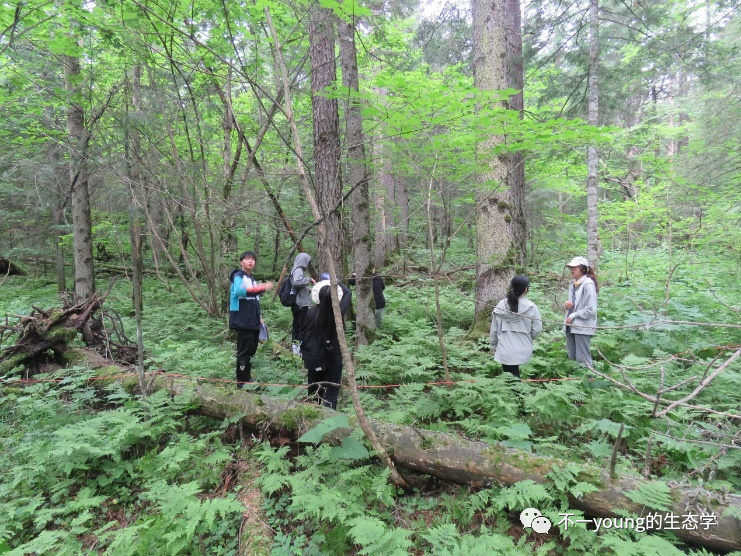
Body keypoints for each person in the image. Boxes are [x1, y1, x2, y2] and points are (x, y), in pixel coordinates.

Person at [302, 279, 352, 409]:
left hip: (315, 356)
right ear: (335, 298)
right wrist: (335, 281)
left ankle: (312, 412)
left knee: (314, 388)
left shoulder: (310, 313)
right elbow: (348, 293)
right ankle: (329, 417)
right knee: (331, 390)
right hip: (333, 356)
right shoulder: (338, 313)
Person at [229, 251, 273, 387]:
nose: (250, 261)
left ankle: (247, 378)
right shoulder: (238, 276)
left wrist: (259, 318)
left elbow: (255, 301)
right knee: (244, 351)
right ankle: (241, 382)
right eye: (247, 259)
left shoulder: (252, 279)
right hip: (243, 320)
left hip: (253, 321)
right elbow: (240, 291)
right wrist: (260, 288)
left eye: (253, 259)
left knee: (251, 350)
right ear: (241, 262)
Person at [489, 275, 542, 378]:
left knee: (510, 376)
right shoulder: (531, 307)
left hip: (505, 348)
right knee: (513, 377)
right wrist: (529, 338)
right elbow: (537, 329)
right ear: (526, 289)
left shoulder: (500, 305)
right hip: (524, 348)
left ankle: (515, 393)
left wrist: (494, 345)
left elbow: (494, 329)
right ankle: (517, 392)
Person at [563, 256, 599, 368]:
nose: (572, 270)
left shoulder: (588, 284)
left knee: (583, 358)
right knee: (571, 356)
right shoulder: (572, 283)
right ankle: (574, 381)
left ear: (582, 269)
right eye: (570, 267)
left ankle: (588, 380)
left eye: (575, 267)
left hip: (583, 326)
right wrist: (565, 305)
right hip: (571, 325)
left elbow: (590, 309)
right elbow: (572, 303)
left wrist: (573, 315)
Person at [290, 253, 315, 355]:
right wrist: (309, 279)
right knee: (302, 326)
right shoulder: (298, 270)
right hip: (300, 304)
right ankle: (300, 349)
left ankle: (295, 347)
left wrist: (309, 290)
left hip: (297, 303)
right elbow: (297, 282)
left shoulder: (295, 270)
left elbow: (299, 287)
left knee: (296, 325)